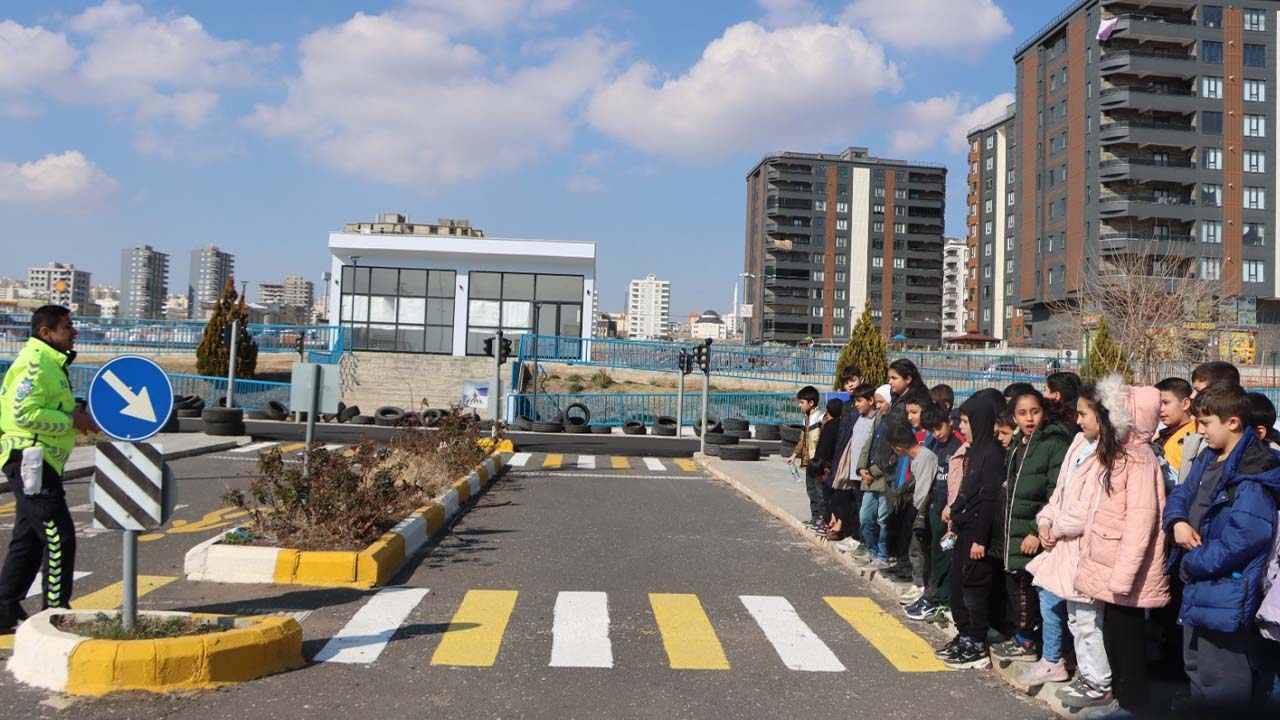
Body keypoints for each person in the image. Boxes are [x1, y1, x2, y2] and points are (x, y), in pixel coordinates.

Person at [1164, 381, 1280, 711]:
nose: (1198, 430)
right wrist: (1178, 522)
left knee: (1224, 678)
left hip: (1227, 587)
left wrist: (1194, 561)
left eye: (1206, 423)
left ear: (1233, 422)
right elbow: (1181, 495)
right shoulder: (1208, 457)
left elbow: (1246, 537)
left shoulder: (1252, 472)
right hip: (1200, 583)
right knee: (1197, 667)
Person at [1074, 376, 1170, 715]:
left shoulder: (1140, 460)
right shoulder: (1122, 455)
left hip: (1122, 573)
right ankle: (1122, 698)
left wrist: (1123, 577)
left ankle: (1133, 705)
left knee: (1127, 643)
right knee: (1114, 638)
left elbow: (1141, 525)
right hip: (1110, 567)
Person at [0, 306, 96, 630]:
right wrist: (72, 420)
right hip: (30, 458)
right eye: (68, 327)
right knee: (59, 536)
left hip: (41, 460)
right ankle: (55, 614)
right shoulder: (36, 363)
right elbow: (23, 414)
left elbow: (48, 406)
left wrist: (76, 412)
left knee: (28, 539)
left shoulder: (51, 364)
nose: (75, 332)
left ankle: (4, 611)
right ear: (46, 333)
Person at [1023, 389, 1111, 697]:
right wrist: (1045, 520)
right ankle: (1087, 676)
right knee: (1075, 618)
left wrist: (1056, 527)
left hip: (1084, 546)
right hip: (1062, 544)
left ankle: (1098, 681)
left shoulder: (1108, 453)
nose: (1078, 420)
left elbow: (1087, 508)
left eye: (1084, 414)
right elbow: (1060, 493)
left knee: (1088, 620)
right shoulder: (1078, 443)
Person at [991, 388, 1070, 662]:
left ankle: (1028, 641)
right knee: (1016, 583)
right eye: (1022, 413)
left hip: (1035, 531)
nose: (1029, 418)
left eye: (1034, 411)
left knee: (1027, 588)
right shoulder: (1018, 444)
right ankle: (1019, 635)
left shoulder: (1053, 444)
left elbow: (1056, 492)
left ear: (1044, 412)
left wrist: (1036, 531)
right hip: (1013, 528)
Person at [937, 391, 1008, 669]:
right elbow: (968, 491)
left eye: (966, 421)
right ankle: (965, 633)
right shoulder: (974, 451)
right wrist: (953, 516)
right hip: (963, 530)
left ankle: (976, 641)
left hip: (978, 535)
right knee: (958, 588)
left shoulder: (991, 453)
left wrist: (980, 539)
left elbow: (988, 498)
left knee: (973, 589)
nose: (960, 426)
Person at [906, 401, 965, 623]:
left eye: (940, 427)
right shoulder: (934, 443)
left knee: (946, 557)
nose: (937, 433)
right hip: (935, 509)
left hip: (949, 516)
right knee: (934, 556)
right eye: (931, 429)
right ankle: (932, 594)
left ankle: (941, 599)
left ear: (950, 421)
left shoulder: (958, 445)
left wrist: (952, 510)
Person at [887, 421, 939, 606]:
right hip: (918, 509)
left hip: (923, 511)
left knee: (919, 549)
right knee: (914, 548)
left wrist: (917, 514)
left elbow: (924, 490)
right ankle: (919, 582)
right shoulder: (917, 458)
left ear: (898, 447)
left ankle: (921, 585)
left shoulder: (925, 458)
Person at [832, 384, 876, 556]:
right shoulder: (859, 418)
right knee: (856, 508)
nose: (856, 405)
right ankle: (856, 538)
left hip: (866, 474)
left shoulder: (875, 420)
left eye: (860, 401)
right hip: (854, 473)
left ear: (871, 401)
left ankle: (866, 544)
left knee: (867, 513)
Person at [857, 385, 895, 568]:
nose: (878, 406)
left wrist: (874, 471)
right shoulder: (878, 419)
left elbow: (892, 453)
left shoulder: (894, 421)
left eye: (881, 402)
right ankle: (871, 550)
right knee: (865, 517)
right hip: (869, 477)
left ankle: (882, 554)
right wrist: (861, 468)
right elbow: (868, 444)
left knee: (882, 519)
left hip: (883, 477)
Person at [829, 366, 864, 538]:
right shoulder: (847, 406)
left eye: (853, 380)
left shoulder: (865, 405)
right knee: (841, 493)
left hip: (858, 457)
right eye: (846, 382)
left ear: (861, 379)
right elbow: (842, 434)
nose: (850, 385)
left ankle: (855, 534)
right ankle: (844, 528)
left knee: (857, 498)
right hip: (844, 455)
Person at [788, 386, 827, 529]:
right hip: (808, 461)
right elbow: (802, 438)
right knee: (811, 490)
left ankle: (823, 519)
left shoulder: (821, 418)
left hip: (818, 462)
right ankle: (815, 516)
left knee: (820, 491)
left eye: (801, 402)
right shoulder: (806, 418)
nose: (799, 405)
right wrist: (794, 454)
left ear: (811, 403)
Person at [1156, 377, 1203, 486]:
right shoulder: (1160, 435)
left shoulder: (1194, 437)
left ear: (1185, 404)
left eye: (1166, 403)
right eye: (1158, 403)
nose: (1160, 409)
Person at [811, 398, 844, 539]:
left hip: (826, 467)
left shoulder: (830, 426)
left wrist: (818, 465)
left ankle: (827, 522)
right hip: (834, 466)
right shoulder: (842, 425)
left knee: (826, 496)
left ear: (828, 411)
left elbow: (823, 449)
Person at [1045, 371, 1082, 437]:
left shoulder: (1053, 423)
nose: (1043, 395)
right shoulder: (1083, 416)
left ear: (1056, 395)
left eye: (1045, 390)